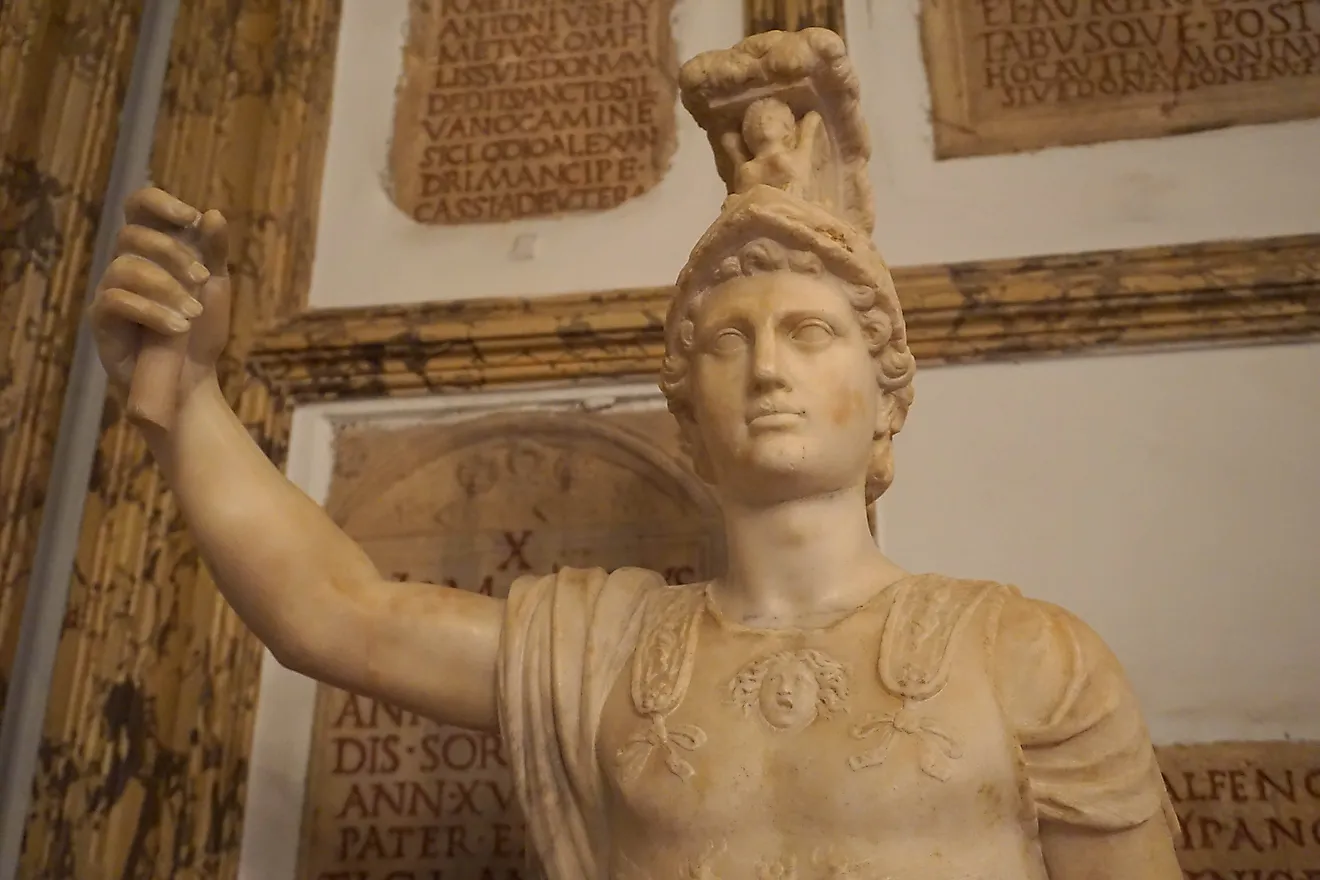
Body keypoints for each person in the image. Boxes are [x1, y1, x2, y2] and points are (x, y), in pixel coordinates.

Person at [88, 28, 1181, 880]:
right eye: (726, 339)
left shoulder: (1030, 656)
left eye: (809, 332)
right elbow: (335, 612)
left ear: (889, 399)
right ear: (684, 411)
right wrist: (186, 397)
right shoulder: (602, 650)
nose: (766, 367)